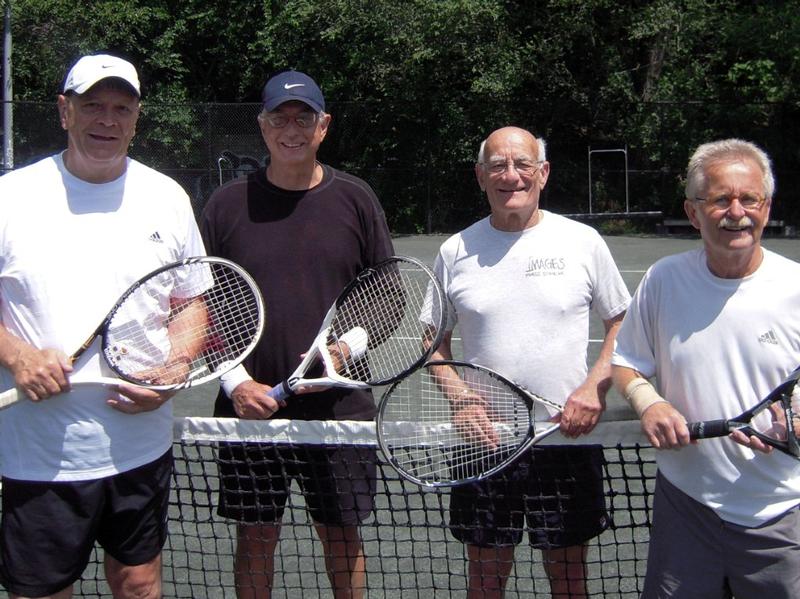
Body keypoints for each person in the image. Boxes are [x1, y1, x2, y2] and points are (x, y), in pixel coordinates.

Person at [0, 54, 207, 598]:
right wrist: (18, 356)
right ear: (64, 112)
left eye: (122, 108)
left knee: (139, 584)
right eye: (93, 105)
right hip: (38, 452)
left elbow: (190, 302)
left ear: (137, 119)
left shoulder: (167, 198)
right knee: (42, 593)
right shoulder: (11, 197)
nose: (107, 120)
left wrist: (178, 364)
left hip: (139, 446)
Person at [200, 69, 394, 599]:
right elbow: (200, 306)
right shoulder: (223, 206)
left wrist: (342, 350)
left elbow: (389, 295)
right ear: (262, 127)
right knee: (256, 537)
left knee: (342, 536)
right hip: (249, 407)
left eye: (303, 117)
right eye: (279, 119)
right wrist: (236, 382)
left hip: (339, 407)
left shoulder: (356, 198)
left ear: (323, 125)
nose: (291, 129)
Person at [428, 126, 630, 599]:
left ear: (543, 173)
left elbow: (622, 324)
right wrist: (460, 401)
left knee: (568, 580)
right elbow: (433, 343)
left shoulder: (583, 242)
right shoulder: (455, 250)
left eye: (522, 164)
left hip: (565, 440)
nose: (510, 176)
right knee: (485, 580)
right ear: (480, 176)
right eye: (497, 165)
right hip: (482, 444)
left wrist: (593, 388)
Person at [611, 139, 800, 599]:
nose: (736, 212)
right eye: (720, 199)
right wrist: (648, 402)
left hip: (782, 511)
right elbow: (626, 363)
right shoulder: (663, 279)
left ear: (766, 206)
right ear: (694, 212)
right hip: (687, 507)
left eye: (749, 198)